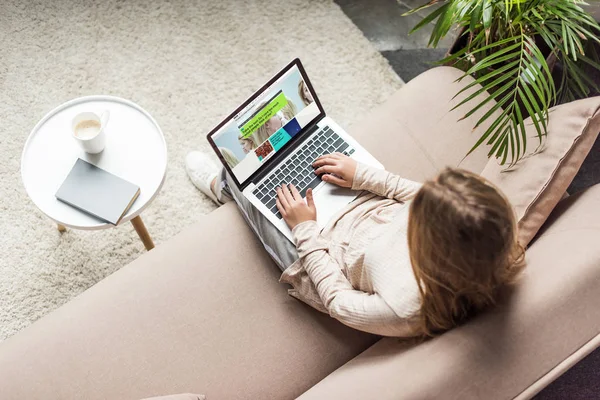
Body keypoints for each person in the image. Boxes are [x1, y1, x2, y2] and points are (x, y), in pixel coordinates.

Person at [185, 151, 525, 338]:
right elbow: (424, 196)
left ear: (427, 242)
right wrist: (362, 174)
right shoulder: (486, 230)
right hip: (365, 207)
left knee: (246, 176)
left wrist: (305, 230)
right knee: (309, 151)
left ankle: (224, 189)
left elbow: (337, 300)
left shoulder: (403, 309)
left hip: (322, 255)